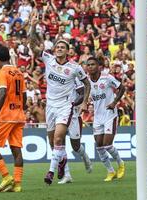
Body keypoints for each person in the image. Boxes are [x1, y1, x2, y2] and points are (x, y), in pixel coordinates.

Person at [29, 16, 91, 185]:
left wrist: (84, 102)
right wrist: (33, 27)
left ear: (68, 51)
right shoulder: (48, 59)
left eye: (63, 47)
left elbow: (87, 84)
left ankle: (50, 172)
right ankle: (63, 164)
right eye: (58, 46)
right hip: (50, 106)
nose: (59, 49)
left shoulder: (74, 68)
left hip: (66, 106)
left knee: (59, 139)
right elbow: (32, 47)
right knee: (52, 142)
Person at [0, 46, 27, 192]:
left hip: (6, 116)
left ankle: (6, 176)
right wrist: (21, 109)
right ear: (9, 57)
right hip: (19, 115)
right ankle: (17, 184)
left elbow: (2, 92)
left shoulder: (1, 72)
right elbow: (24, 96)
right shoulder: (19, 72)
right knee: (16, 150)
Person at [86, 57, 126, 182]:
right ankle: (110, 171)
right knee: (99, 146)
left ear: (99, 66)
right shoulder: (87, 82)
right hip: (97, 117)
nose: (90, 67)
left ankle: (120, 164)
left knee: (107, 145)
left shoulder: (107, 78)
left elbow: (122, 88)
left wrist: (114, 102)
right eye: (88, 65)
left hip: (110, 115)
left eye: (93, 64)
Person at [55, 79, 93, 184]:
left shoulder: (74, 79)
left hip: (74, 117)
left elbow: (82, 94)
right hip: (60, 115)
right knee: (60, 144)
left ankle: (86, 158)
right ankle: (67, 175)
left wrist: (71, 104)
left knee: (75, 147)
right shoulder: (55, 78)